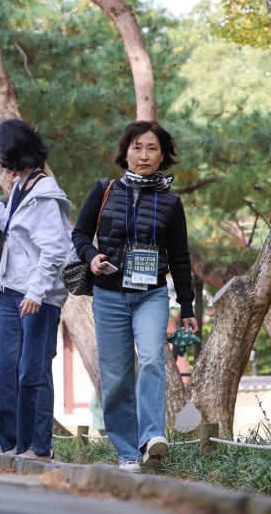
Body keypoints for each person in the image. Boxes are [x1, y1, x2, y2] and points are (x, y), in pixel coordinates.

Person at [71, 120, 197, 473]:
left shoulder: (171, 202)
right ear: (125, 152)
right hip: (109, 296)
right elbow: (80, 234)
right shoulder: (105, 190)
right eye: (137, 147)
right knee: (115, 379)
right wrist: (90, 256)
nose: (144, 155)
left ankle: (153, 438)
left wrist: (186, 305)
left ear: (162, 157)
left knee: (153, 359)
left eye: (152, 148)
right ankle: (127, 450)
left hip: (151, 295)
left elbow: (180, 257)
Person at [0, 119, 71, 460]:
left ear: (13, 149)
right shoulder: (20, 186)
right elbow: (10, 225)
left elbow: (55, 248)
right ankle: (11, 444)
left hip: (37, 296)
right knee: (5, 371)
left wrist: (37, 292)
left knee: (32, 371)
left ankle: (38, 447)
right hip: (11, 290)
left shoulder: (44, 194)